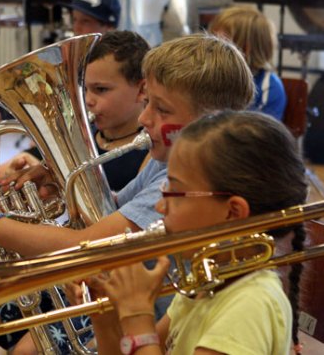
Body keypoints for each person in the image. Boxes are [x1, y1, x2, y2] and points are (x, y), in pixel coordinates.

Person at [0, 33, 254, 354]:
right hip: (130, 305)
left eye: (162, 109)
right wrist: (64, 183)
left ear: (210, 122)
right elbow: (111, 212)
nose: (145, 118)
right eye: (148, 104)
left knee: (25, 350)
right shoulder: (166, 166)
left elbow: (86, 245)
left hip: (142, 309)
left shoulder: (184, 185)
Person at [92, 110, 307, 355]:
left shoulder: (252, 304)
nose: (161, 207)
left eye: (174, 192)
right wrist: (106, 316)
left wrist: (137, 315)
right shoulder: (207, 280)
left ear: (233, 213)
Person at [0, 30, 151, 191]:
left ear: (141, 91)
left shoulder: (150, 153)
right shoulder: (79, 137)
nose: (87, 101)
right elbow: (2, 172)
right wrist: (20, 168)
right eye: (84, 89)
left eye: (101, 89)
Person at [209, 5, 287, 120]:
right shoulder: (210, 76)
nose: (209, 49)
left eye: (219, 44)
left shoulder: (269, 87)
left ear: (246, 50)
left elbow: (255, 134)